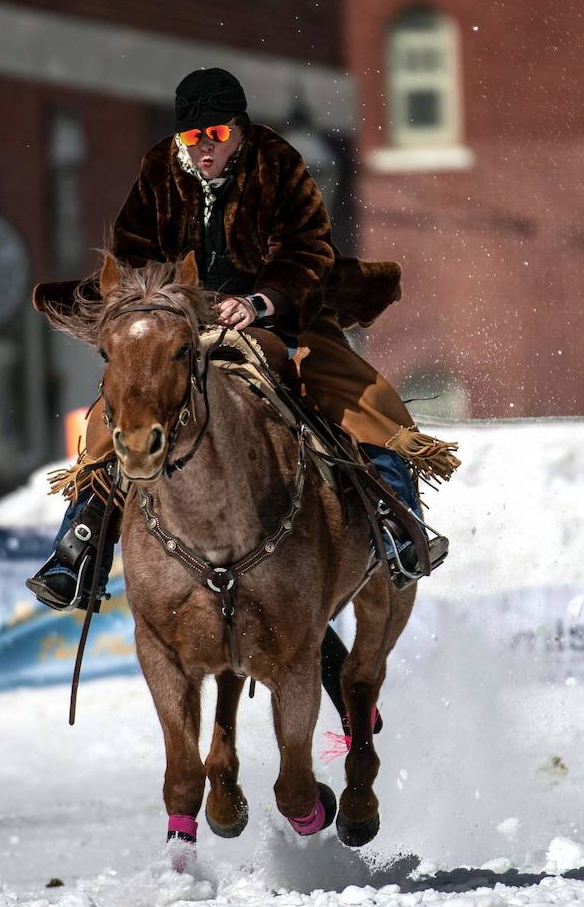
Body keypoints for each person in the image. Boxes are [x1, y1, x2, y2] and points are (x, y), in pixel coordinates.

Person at [26, 67, 457, 611]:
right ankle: (80, 544)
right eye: (192, 137)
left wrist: (257, 303)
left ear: (240, 129)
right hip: (182, 319)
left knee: (361, 393)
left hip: (281, 315)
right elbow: (137, 255)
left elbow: (309, 253)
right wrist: (155, 307)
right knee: (116, 410)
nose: (205, 148)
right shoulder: (160, 169)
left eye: (218, 135)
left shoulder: (278, 164)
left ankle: (398, 521)